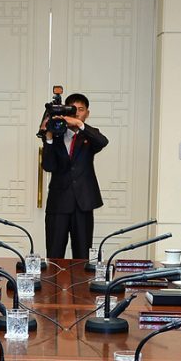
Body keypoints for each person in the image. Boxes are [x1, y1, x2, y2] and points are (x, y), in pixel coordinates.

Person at [40, 93, 108, 259]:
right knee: (54, 254)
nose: (77, 112)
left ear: (87, 113)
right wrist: (48, 138)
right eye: (73, 109)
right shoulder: (55, 136)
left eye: (81, 109)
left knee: (83, 255)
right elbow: (48, 166)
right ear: (65, 111)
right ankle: (53, 285)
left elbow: (103, 141)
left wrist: (78, 124)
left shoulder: (90, 136)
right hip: (58, 203)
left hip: (83, 203)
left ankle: (82, 286)